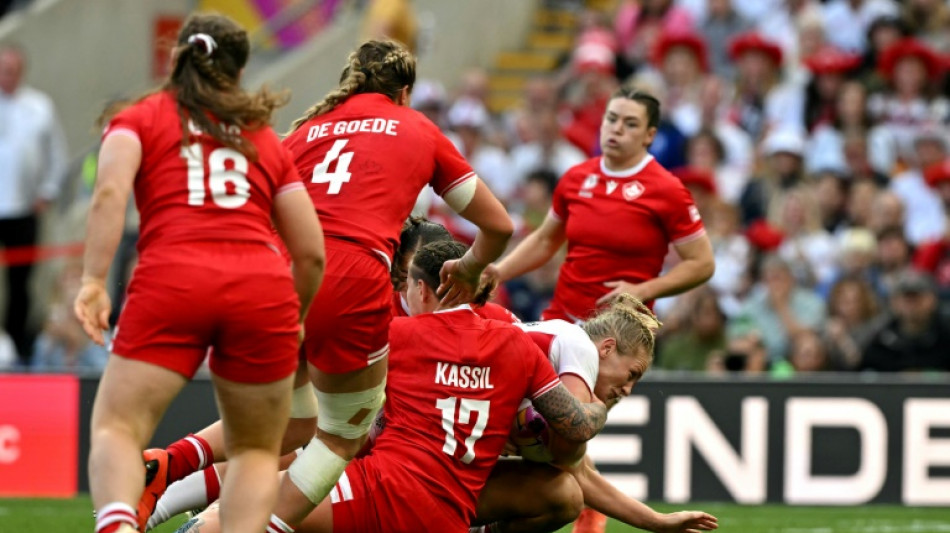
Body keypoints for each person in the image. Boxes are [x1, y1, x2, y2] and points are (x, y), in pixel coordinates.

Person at [74, 14, 326, 533]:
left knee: (117, 429)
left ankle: (119, 524)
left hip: (173, 280)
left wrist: (94, 282)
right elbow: (311, 254)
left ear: (177, 58)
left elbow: (108, 195)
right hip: (262, 292)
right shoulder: (262, 137)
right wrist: (293, 318)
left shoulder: (140, 118)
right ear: (238, 71)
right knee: (256, 449)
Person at [176, 240, 608, 533]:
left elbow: (337, 397)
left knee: (240, 509)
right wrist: (602, 403)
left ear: (423, 288)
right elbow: (578, 424)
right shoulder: (519, 344)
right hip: (449, 515)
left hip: (381, 489)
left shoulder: (399, 335)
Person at [268, 39, 514, 533]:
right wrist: (467, 267)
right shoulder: (416, 127)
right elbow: (500, 227)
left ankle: (170, 484)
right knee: (342, 436)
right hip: (349, 276)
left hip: (271, 278)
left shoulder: (302, 132)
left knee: (278, 432)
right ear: (405, 92)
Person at [471, 294, 719, 533]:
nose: (627, 390)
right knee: (563, 490)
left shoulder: (553, 353)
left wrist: (657, 522)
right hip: (441, 464)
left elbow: (580, 475)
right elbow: (576, 427)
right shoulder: (579, 345)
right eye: (632, 374)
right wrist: (598, 411)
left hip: (453, 464)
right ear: (608, 348)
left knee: (565, 492)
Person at [489, 87, 714, 323]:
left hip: (620, 328)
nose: (617, 129)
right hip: (562, 319)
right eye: (612, 119)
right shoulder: (576, 177)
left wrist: (644, 290)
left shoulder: (667, 189)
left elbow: (702, 263)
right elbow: (545, 240)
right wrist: (499, 272)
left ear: (649, 135)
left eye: (631, 124)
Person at [0, 43, 69, 363]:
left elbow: (57, 153)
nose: (7, 76)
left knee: (21, 284)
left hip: (23, 210)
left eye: (12, 70)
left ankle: (17, 343)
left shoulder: (39, 107)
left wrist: (47, 191)